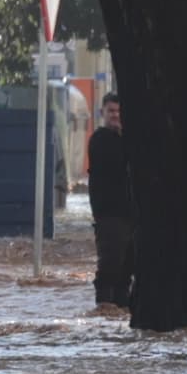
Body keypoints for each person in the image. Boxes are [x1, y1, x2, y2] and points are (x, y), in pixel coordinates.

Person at [85, 98, 131, 310]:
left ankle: (121, 309)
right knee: (111, 262)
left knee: (127, 266)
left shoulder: (127, 139)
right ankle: (103, 307)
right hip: (109, 213)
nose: (115, 115)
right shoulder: (100, 140)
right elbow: (115, 163)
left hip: (131, 213)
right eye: (111, 111)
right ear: (102, 112)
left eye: (119, 111)